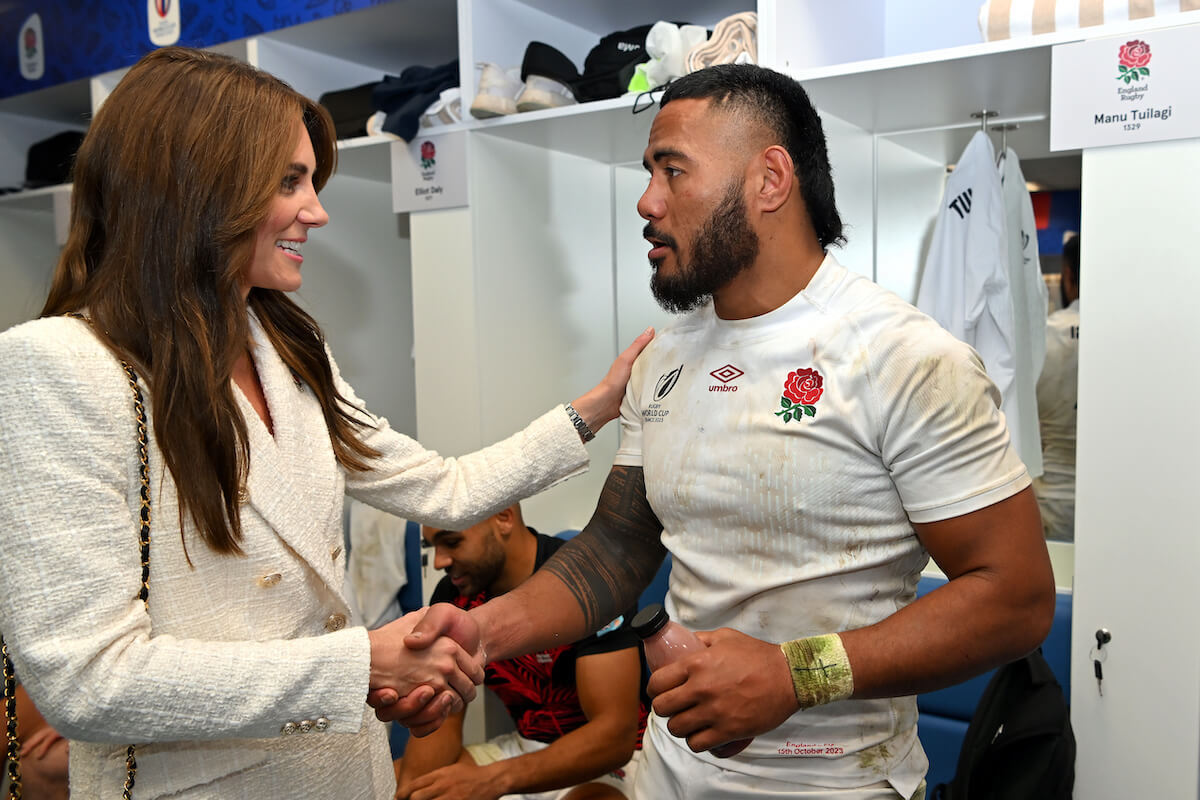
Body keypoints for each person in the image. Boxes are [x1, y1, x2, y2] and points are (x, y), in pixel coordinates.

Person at [383, 64, 1056, 800]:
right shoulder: (665, 359)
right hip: (671, 770)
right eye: (649, 172)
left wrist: (795, 673)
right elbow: (615, 550)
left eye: (673, 171)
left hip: (834, 781)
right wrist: (480, 637)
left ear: (770, 180)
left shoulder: (905, 359)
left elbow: (1015, 599)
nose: (647, 201)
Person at [0, 46, 651, 799]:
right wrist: (362, 664)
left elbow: (442, 486)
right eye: (289, 181)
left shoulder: (283, 346)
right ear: (197, 189)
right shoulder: (56, 366)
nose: (318, 209)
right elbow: (87, 680)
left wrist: (597, 407)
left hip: (347, 771)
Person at [394, 504, 647, 800]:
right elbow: (444, 717)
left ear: (504, 518)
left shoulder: (591, 581)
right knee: (398, 781)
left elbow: (614, 736)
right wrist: (413, 789)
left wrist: (492, 781)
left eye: (452, 542)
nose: (439, 561)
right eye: (433, 546)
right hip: (521, 748)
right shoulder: (454, 597)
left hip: (611, 761)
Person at [1033, 235, 1081, 541]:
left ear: (1068, 274)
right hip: (1121, 498)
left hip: (1050, 501)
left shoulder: (1043, 336)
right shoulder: (1135, 342)